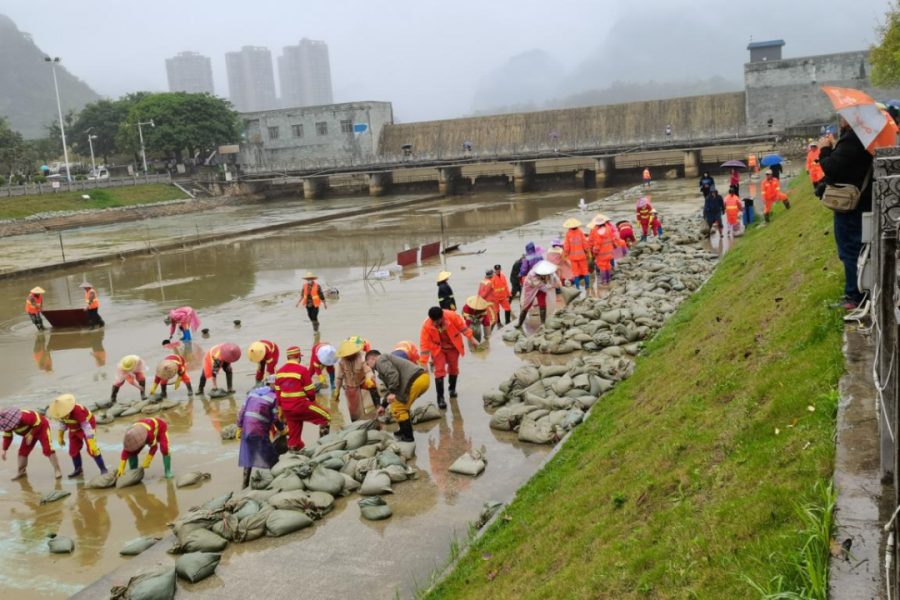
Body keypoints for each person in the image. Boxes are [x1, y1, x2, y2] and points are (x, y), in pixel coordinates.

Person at [818, 119, 873, 310]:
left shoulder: (853, 139)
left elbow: (831, 168)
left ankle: (854, 297)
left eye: (843, 117)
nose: (841, 120)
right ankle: (861, 291)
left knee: (849, 249)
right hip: (863, 200)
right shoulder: (866, 135)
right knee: (859, 247)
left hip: (851, 204)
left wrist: (824, 149)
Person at [420, 307, 478, 408]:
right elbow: (424, 346)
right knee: (439, 371)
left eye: (437, 321)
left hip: (453, 346)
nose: (435, 323)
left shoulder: (452, 316)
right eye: (433, 321)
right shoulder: (427, 326)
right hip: (438, 349)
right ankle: (440, 398)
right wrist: (424, 364)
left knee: (453, 367)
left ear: (442, 316)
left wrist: (472, 339)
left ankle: (452, 389)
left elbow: (463, 327)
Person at [366, 349, 430, 443]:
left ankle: (408, 437)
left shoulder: (380, 360)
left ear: (372, 358)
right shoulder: (385, 361)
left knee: (397, 409)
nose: (368, 367)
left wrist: (392, 392)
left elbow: (393, 374)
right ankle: (403, 431)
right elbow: (392, 385)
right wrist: (383, 406)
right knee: (402, 405)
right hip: (422, 379)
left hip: (416, 381)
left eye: (367, 363)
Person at [276, 346, 330, 448]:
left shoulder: (279, 372)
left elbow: (278, 394)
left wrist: (280, 410)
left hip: (287, 410)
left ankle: (293, 456)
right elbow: (310, 391)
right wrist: (314, 402)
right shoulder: (302, 370)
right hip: (300, 406)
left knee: (294, 439)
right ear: (298, 357)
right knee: (326, 417)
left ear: (288, 357)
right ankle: (323, 447)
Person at [47, 394, 108, 477]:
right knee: (73, 450)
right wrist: (60, 436)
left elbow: (86, 427)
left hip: (87, 426)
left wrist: (91, 442)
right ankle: (78, 469)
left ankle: (103, 469)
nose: (64, 416)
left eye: (66, 415)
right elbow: (62, 423)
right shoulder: (61, 413)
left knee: (92, 450)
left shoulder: (78, 411)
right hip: (74, 429)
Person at [237, 382, 283, 488]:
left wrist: (239, 427)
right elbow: (276, 417)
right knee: (273, 459)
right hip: (259, 431)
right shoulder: (274, 397)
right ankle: (278, 485)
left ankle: (244, 485)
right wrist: (282, 429)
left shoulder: (252, 393)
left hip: (247, 430)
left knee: (248, 457)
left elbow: (242, 411)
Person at [1, 407, 62, 480]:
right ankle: (21, 472)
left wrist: (32, 435)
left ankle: (57, 470)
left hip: (42, 427)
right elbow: (8, 437)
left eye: (14, 424)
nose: (14, 426)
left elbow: (39, 423)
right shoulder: (7, 425)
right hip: (29, 433)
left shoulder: (25, 416)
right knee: (23, 451)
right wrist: (4, 450)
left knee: (47, 448)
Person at [332, 338, 380, 421]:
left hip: (363, 383)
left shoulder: (362, 358)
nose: (347, 356)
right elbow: (339, 377)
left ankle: (378, 410)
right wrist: (337, 389)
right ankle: (355, 424)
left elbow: (369, 372)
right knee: (354, 411)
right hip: (351, 387)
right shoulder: (342, 361)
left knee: (369, 408)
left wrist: (368, 379)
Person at [516, 260, 561, 328]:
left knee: (542, 304)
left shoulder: (548, 271)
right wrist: (552, 286)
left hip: (541, 289)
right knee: (526, 305)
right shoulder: (532, 274)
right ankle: (519, 323)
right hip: (530, 288)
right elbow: (541, 286)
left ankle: (543, 323)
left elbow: (555, 277)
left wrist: (559, 283)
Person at [590, 216, 622, 284]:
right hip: (609, 252)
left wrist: (594, 254)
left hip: (601, 254)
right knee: (608, 265)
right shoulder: (608, 228)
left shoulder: (598, 233)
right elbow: (612, 238)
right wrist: (614, 245)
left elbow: (597, 246)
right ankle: (608, 278)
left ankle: (604, 280)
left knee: (602, 267)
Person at [563, 218, 590, 289]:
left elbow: (567, 246)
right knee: (585, 271)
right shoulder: (580, 232)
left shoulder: (568, 234)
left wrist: (565, 254)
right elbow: (585, 243)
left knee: (575, 272)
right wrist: (588, 251)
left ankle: (577, 287)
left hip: (573, 257)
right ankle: (587, 285)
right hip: (582, 256)